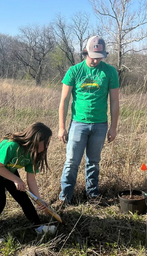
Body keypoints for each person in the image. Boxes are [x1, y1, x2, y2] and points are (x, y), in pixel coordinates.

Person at [53, 36, 120, 209]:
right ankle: (64, 197)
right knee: (71, 162)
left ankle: (93, 195)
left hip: (100, 125)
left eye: (99, 56)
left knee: (93, 162)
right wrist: (61, 127)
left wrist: (113, 127)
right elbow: (64, 101)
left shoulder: (110, 72)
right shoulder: (74, 71)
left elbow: (114, 101)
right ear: (86, 53)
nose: (96, 60)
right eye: (93, 56)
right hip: (78, 124)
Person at [0, 122, 56, 247]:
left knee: (23, 198)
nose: (47, 146)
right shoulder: (12, 145)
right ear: (37, 139)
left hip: (8, 169)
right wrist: (16, 179)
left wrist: (39, 200)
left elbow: (31, 180)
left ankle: (38, 227)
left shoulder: (34, 154)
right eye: (46, 142)